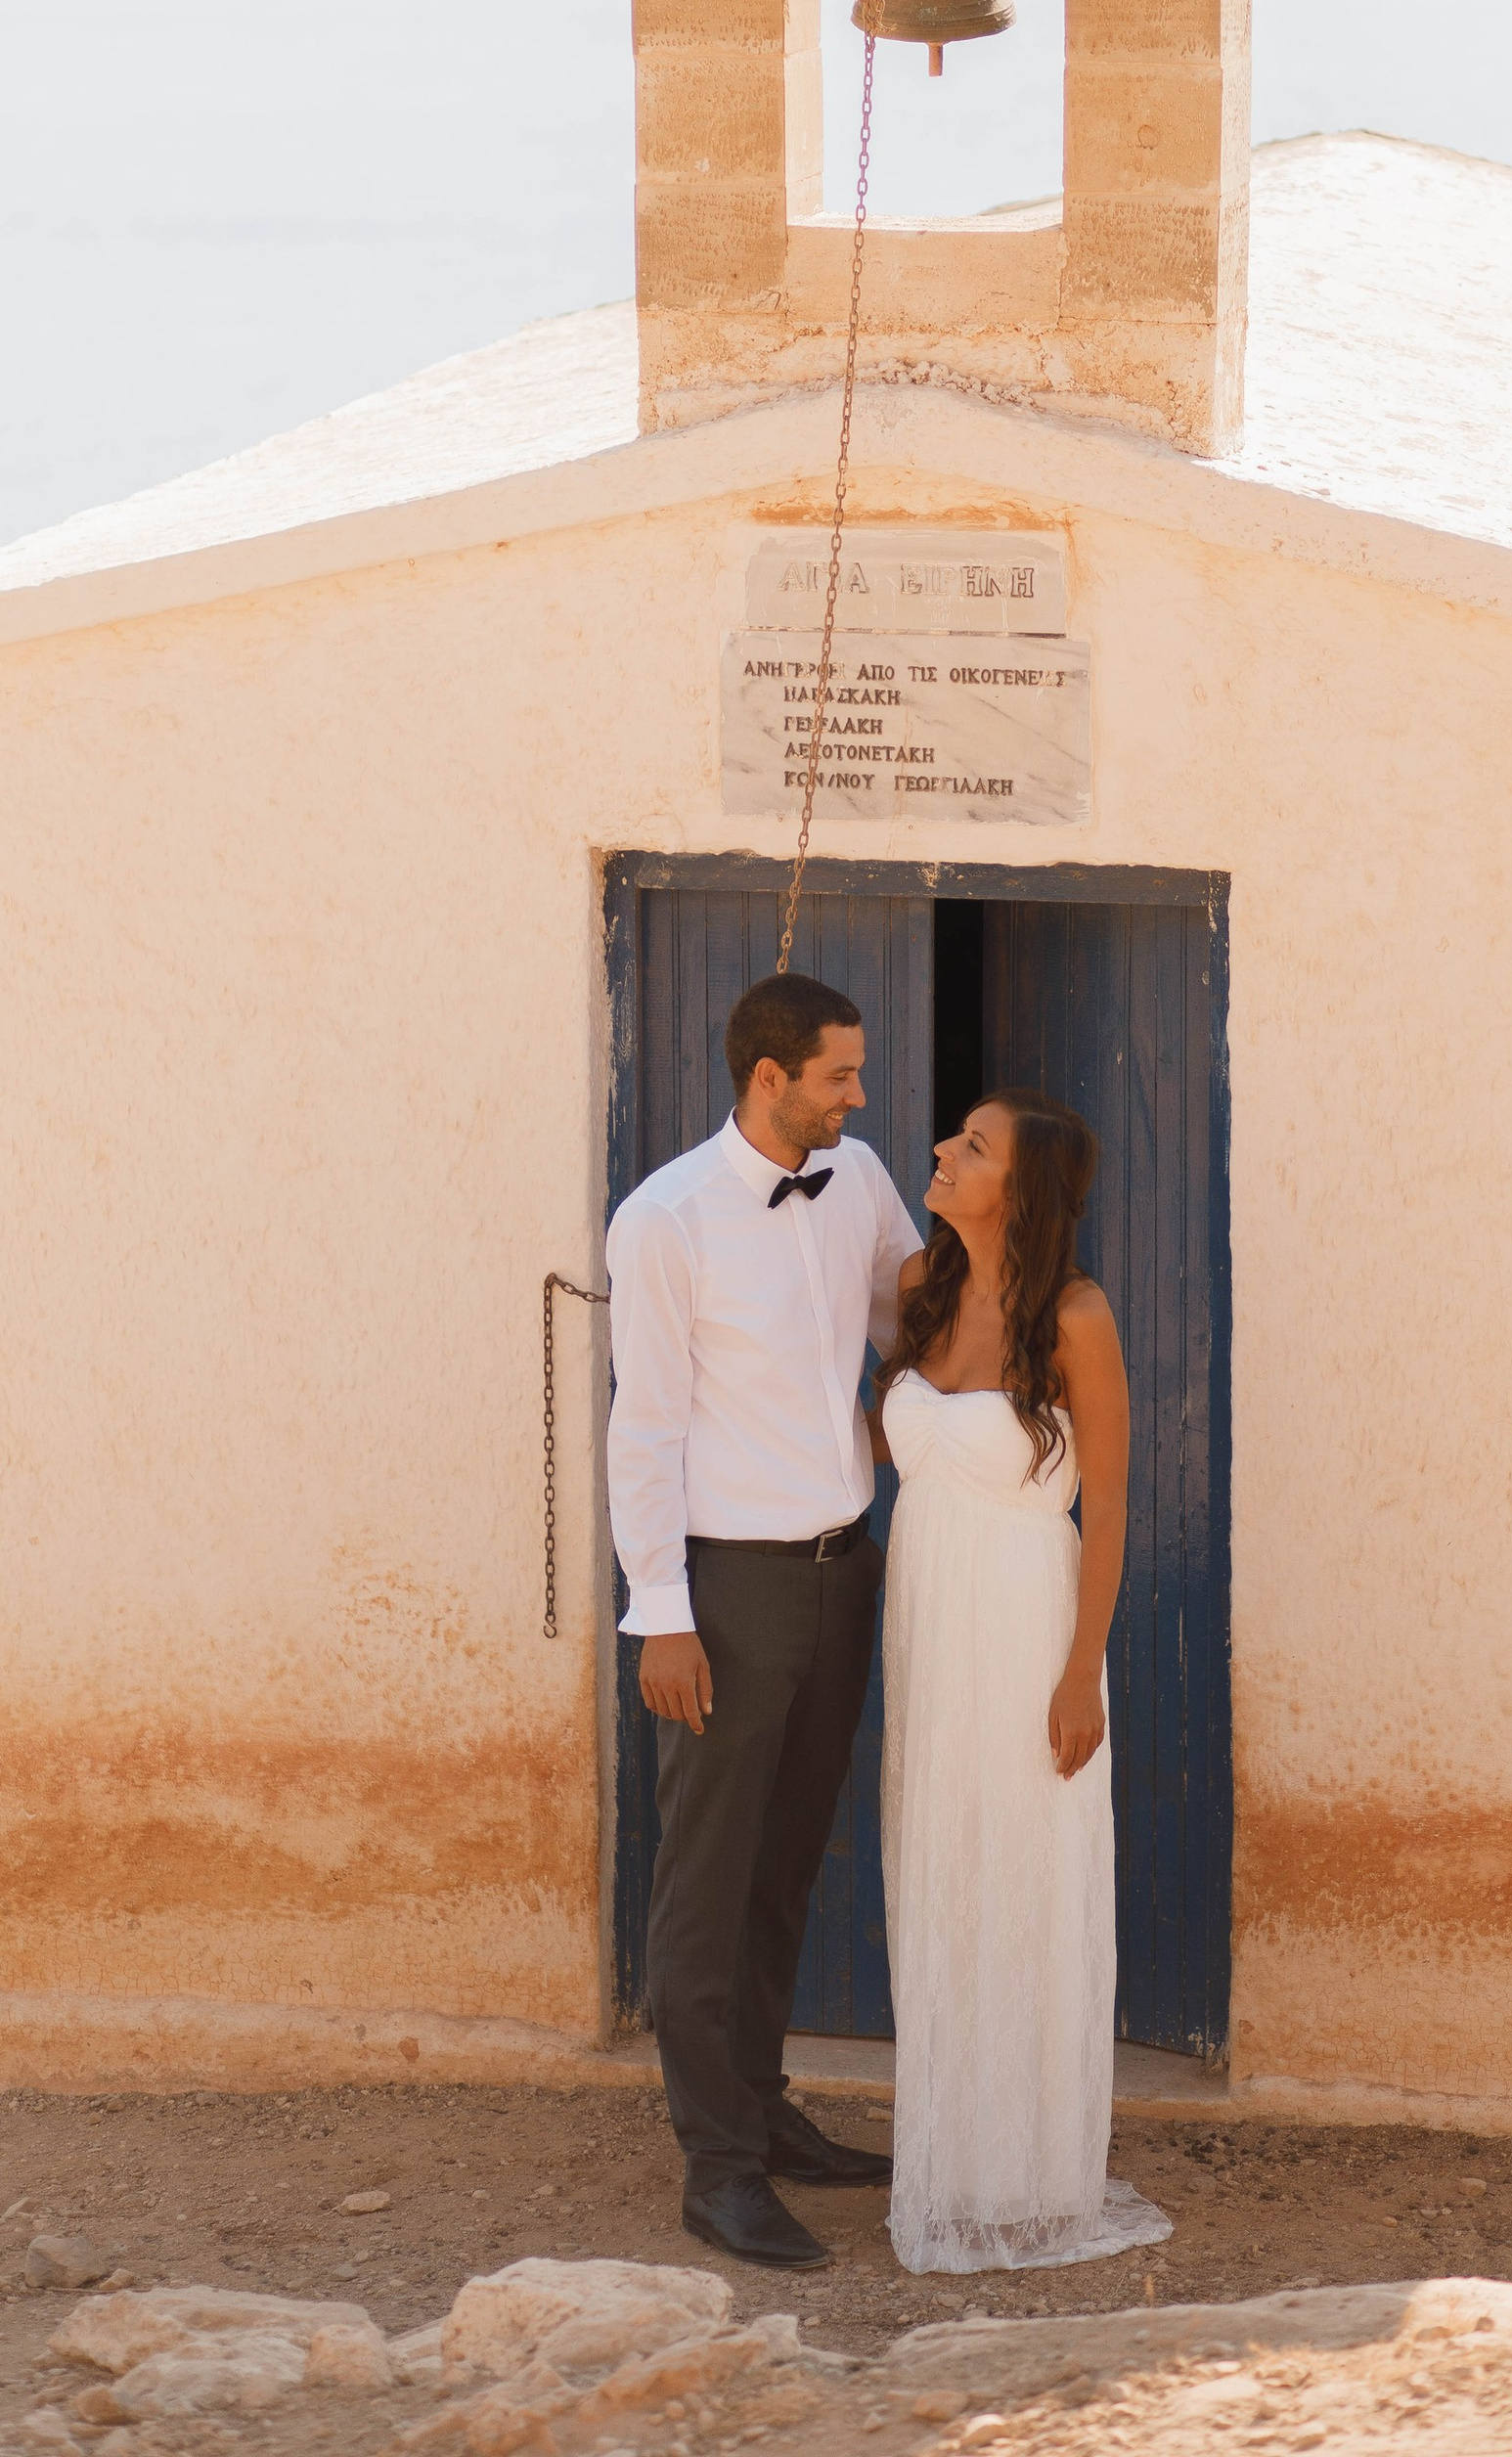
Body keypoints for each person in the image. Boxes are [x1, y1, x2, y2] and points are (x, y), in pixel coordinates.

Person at [606, 970, 919, 2269]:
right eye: (840, 1074)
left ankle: (764, 2108)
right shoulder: (665, 1219)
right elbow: (644, 1426)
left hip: (844, 1571)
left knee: (786, 1863)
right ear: (769, 1077)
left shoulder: (862, 1177)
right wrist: (660, 1613)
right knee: (708, 1878)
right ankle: (718, 2167)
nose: (860, 1094)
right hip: (726, 1592)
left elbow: (909, 1327)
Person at [876, 1089, 1173, 2275]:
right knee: (943, 1866)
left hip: (1025, 1623)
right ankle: (954, 2159)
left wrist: (1080, 1672)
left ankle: (1037, 2169)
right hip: (928, 1617)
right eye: (955, 1137)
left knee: (1026, 1874)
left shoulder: (1075, 1316)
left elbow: (1109, 1506)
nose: (943, 1152)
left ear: (1024, 1186)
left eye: (974, 1147)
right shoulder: (920, 1285)